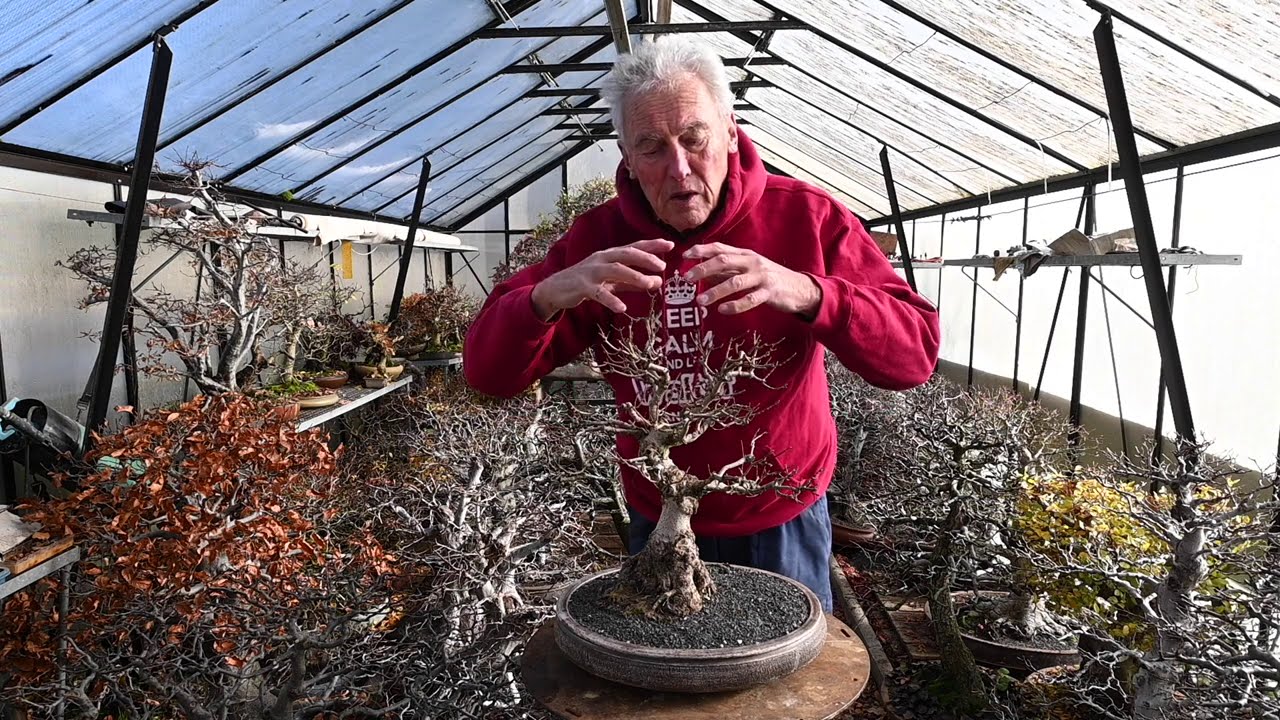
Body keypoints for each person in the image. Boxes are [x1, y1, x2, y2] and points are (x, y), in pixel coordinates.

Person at [462, 36, 939, 611]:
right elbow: (488, 374)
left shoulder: (809, 220)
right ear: (627, 158)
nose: (680, 167)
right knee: (664, 681)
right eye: (652, 147)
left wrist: (810, 293)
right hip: (659, 511)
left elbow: (915, 355)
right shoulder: (596, 244)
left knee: (781, 688)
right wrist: (545, 296)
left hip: (778, 510)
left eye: (694, 137)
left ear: (730, 130)